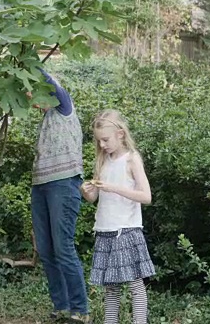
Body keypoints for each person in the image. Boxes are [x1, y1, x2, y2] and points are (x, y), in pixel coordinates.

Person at [81, 109, 155, 324]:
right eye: (99, 141)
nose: (102, 145)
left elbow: (146, 196)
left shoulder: (132, 159)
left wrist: (115, 188)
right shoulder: (102, 160)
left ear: (120, 134)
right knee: (110, 287)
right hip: (105, 230)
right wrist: (87, 192)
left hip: (126, 230)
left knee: (135, 284)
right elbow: (94, 197)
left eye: (105, 140)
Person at [29, 69, 90, 323]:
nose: (34, 99)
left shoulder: (65, 107)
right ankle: (62, 305)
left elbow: (50, 82)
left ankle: (80, 310)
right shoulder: (46, 119)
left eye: (37, 94)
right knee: (46, 249)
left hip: (63, 184)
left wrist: (29, 62)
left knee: (63, 248)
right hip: (41, 186)